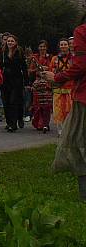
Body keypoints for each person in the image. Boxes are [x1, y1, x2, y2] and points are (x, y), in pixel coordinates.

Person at [41, 16, 86, 202]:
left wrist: (57, 77)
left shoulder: (82, 31)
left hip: (84, 97)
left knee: (77, 142)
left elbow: (82, 65)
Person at [0, 34, 28, 132]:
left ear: (16, 42)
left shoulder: (19, 52)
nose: (10, 42)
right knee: (6, 102)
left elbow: (24, 67)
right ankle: (9, 122)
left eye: (12, 41)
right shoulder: (2, 52)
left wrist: (27, 81)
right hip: (5, 79)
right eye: (8, 41)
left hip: (16, 80)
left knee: (14, 101)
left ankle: (14, 123)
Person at [50, 38, 74, 132]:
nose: (63, 46)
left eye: (65, 44)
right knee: (58, 109)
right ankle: (61, 130)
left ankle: (70, 129)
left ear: (68, 46)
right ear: (59, 46)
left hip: (70, 87)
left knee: (69, 109)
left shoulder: (73, 58)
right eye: (61, 45)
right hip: (58, 87)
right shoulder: (54, 59)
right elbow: (51, 70)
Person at [30, 40, 53, 132]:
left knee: (46, 105)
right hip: (38, 83)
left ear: (46, 48)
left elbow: (54, 68)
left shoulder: (50, 57)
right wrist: (38, 69)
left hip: (47, 82)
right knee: (37, 104)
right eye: (41, 46)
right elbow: (30, 70)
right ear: (38, 48)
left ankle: (45, 124)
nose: (42, 48)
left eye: (44, 46)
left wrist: (48, 69)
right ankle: (38, 123)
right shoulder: (34, 58)